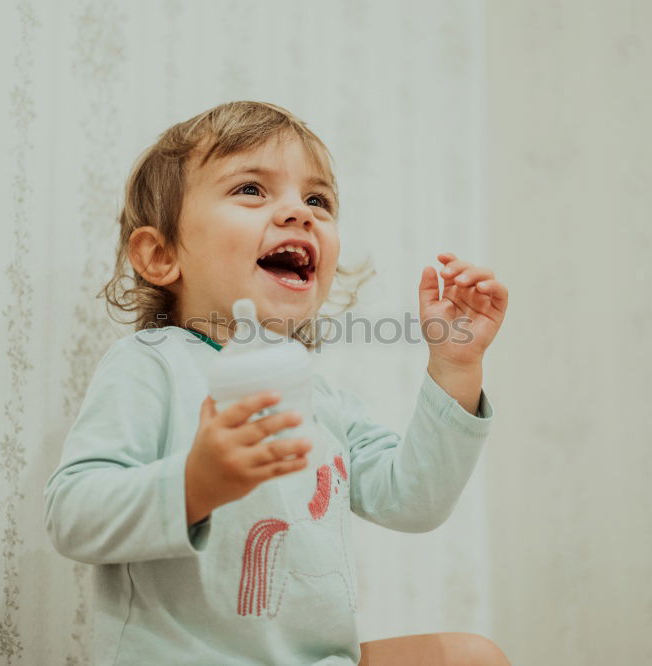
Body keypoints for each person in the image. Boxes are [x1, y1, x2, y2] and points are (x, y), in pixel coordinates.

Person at [44, 100, 511, 665]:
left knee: (471, 656)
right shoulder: (150, 364)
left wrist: (455, 367)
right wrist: (195, 485)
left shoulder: (323, 400)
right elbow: (74, 516)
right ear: (161, 254)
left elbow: (414, 501)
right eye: (251, 190)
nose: (299, 212)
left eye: (318, 200)